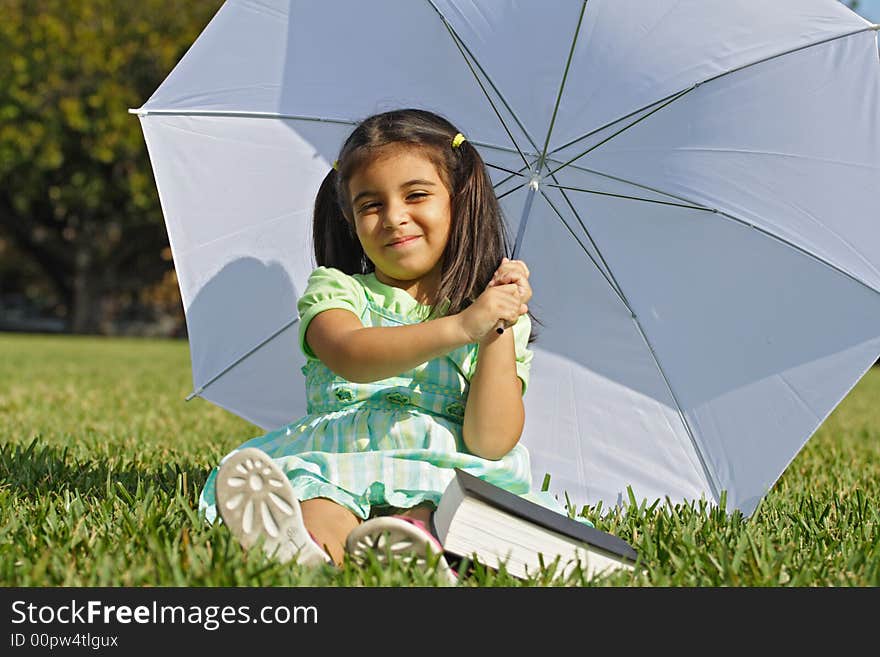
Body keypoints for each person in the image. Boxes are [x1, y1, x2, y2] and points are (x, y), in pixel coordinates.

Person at [198, 108, 572, 584]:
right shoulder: (337, 291)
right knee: (320, 500)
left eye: (416, 195)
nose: (394, 218)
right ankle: (307, 549)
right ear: (350, 218)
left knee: (434, 507)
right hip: (342, 455)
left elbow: (490, 441)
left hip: (441, 466)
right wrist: (462, 327)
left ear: (460, 201)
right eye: (370, 204)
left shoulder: (493, 316)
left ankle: (413, 547)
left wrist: (495, 326)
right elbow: (352, 355)